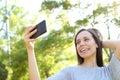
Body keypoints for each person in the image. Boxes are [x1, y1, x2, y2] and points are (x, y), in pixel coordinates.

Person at [24, 25, 120, 80]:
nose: (81, 44)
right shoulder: (70, 72)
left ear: (97, 43)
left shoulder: (109, 71)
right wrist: (30, 50)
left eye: (86, 39)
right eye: (78, 42)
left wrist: (99, 43)